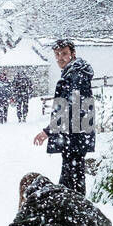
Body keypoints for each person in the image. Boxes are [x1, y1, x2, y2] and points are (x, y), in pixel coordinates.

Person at [32, 39, 94, 195]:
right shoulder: (75, 72)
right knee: (72, 177)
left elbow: (69, 106)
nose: (60, 57)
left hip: (75, 132)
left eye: (64, 53)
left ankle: (75, 212)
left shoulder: (75, 75)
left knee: (71, 179)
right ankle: (73, 210)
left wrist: (48, 131)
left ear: (73, 54)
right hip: (77, 132)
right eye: (57, 54)